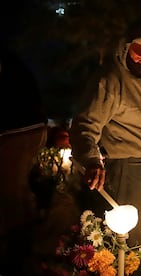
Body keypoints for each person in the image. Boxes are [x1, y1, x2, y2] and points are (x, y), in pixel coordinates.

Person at [69, 17, 141, 248]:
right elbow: (85, 125)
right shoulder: (110, 80)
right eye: (140, 52)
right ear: (125, 47)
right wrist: (91, 159)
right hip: (129, 167)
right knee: (132, 241)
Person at [0, 44, 48, 274]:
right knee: (17, 189)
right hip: (30, 125)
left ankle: (19, 257)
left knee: (11, 194)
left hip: (16, 129)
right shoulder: (12, 59)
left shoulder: (7, 62)